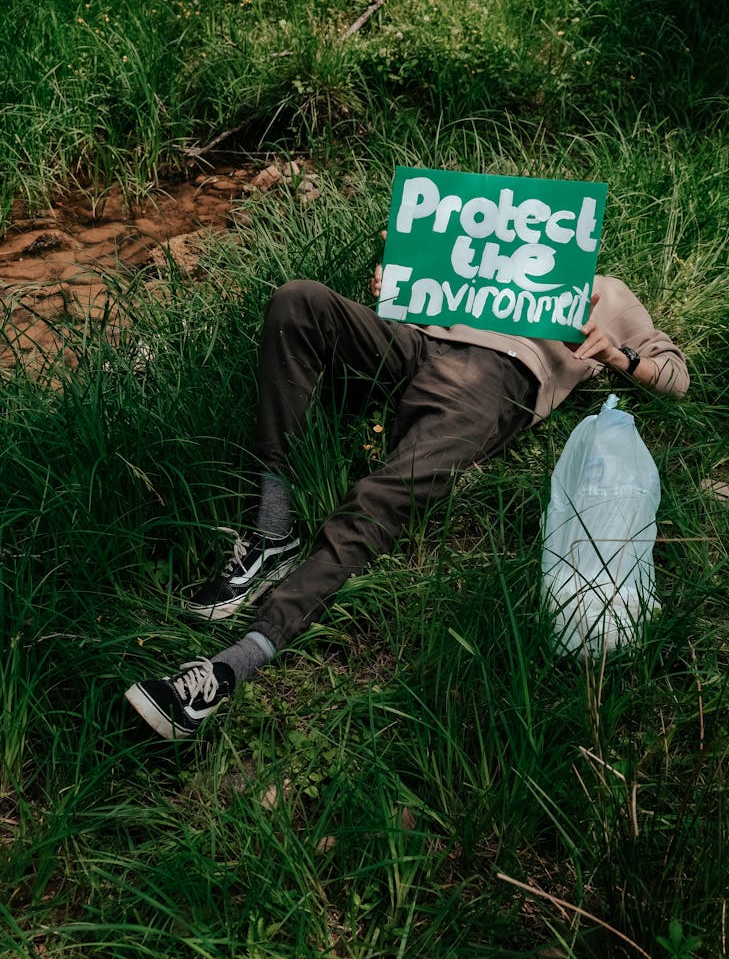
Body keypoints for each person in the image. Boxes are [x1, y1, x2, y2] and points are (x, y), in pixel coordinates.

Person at [125, 252, 689, 740]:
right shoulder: (480, 261)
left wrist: (618, 356)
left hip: (497, 379)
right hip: (414, 346)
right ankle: (273, 528)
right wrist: (399, 291)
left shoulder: (605, 292)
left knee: (380, 497)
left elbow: (676, 376)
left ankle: (235, 662)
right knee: (298, 300)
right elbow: (409, 305)